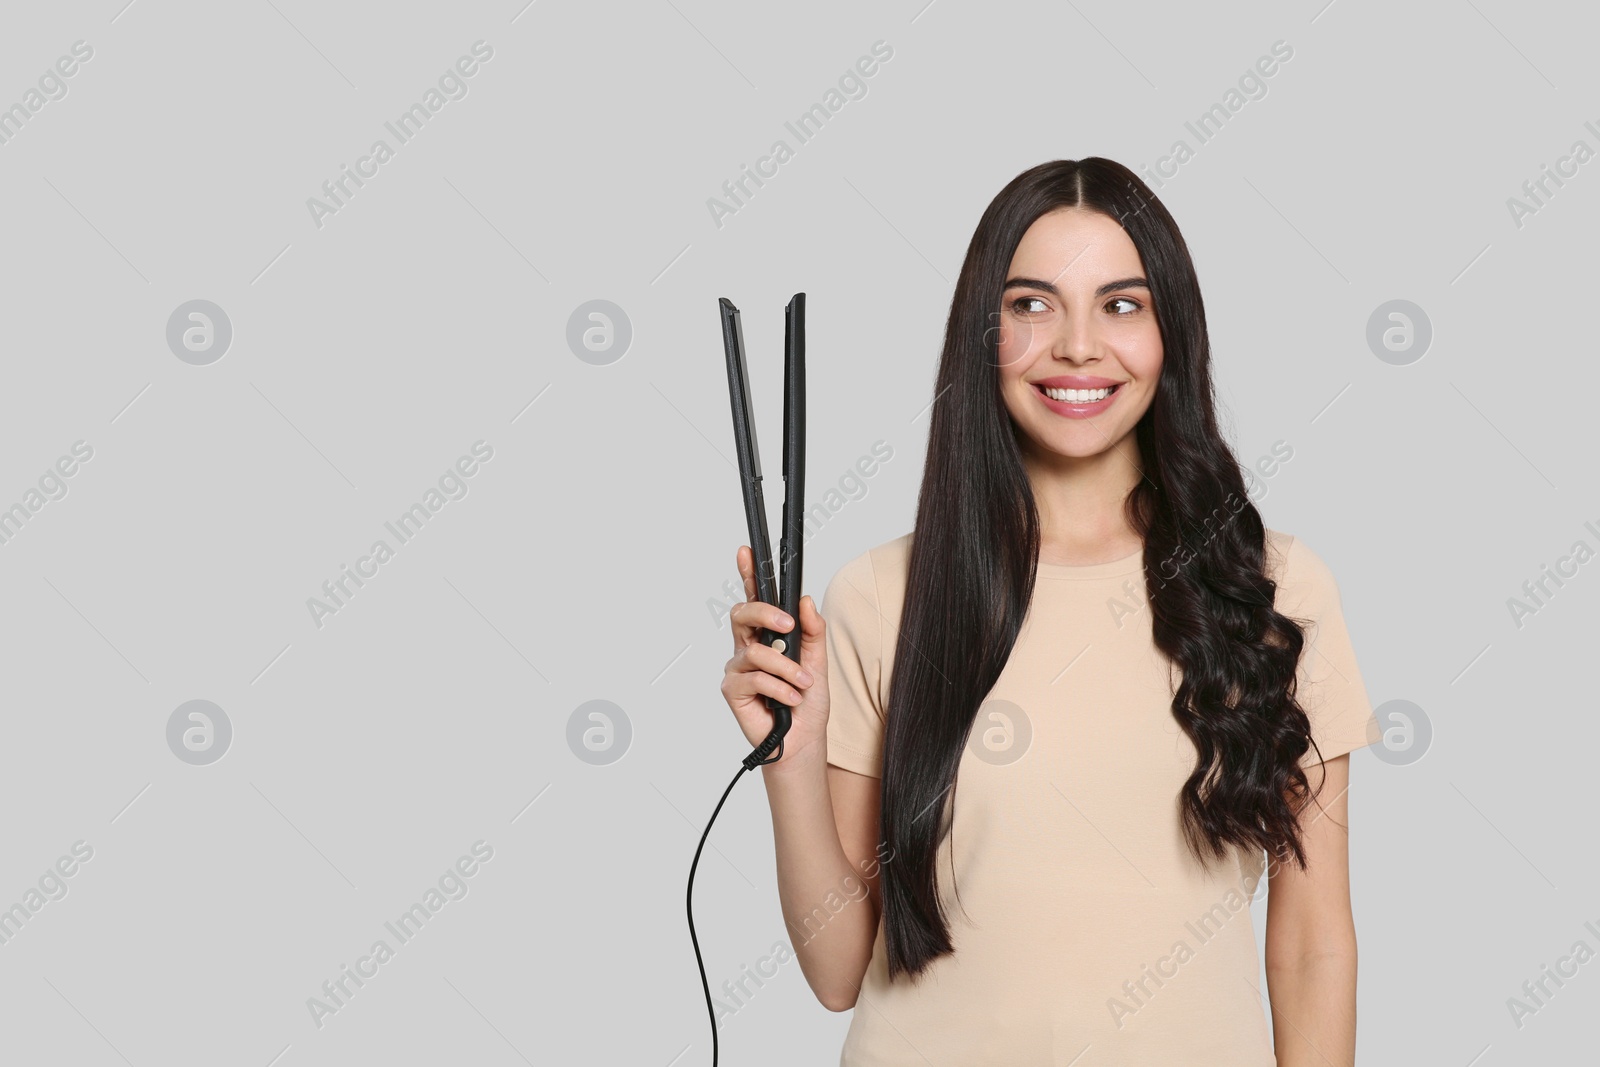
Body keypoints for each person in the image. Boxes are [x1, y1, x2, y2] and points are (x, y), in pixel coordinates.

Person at [719, 157, 1381, 1066]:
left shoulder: (1277, 591)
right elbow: (840, 972)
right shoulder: (879, 597)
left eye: (1121, 304)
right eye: (1031, 305)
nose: (1077, 346)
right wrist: (791, 764)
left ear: (1170, 333)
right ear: (981, 333)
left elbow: (1313, 947)